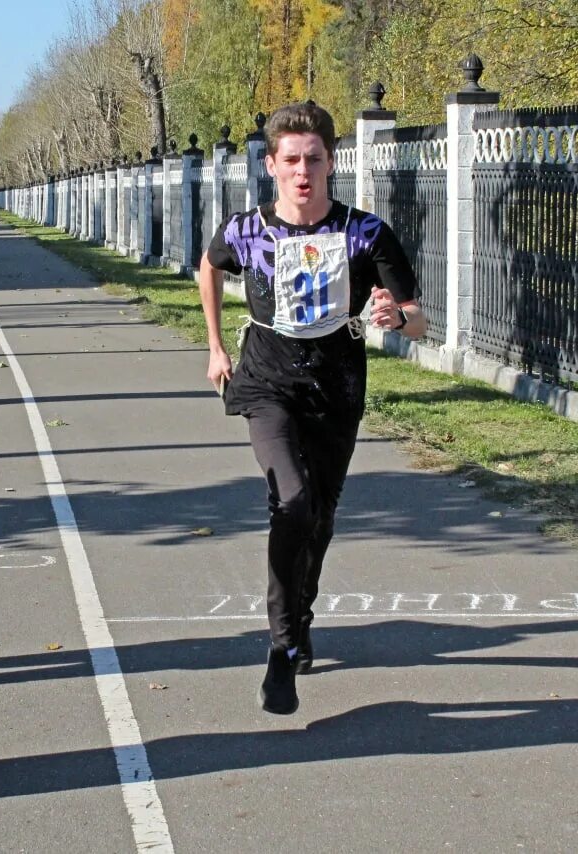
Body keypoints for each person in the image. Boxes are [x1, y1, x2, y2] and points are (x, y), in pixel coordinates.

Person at [198, 101, 426, 715]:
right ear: (272, 165)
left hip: (336, 386)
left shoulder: (365, 233)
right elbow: (209, 267)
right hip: (268, 380)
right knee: (291, 499)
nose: (304, 172)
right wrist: (216, 347)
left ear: (331, 163)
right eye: (291, 160)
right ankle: (280, 646)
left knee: (319, 517)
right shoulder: (247, 230)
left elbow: (418, 317)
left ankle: (300, 615)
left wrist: (394, 317)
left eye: (315, 160)